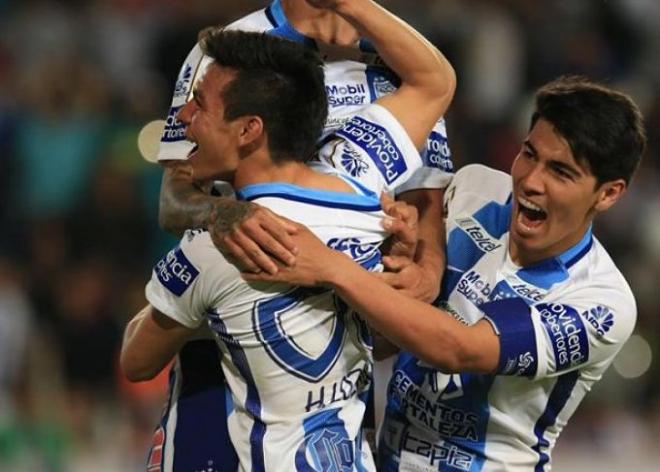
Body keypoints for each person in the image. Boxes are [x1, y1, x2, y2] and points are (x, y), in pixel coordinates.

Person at [244, 75, 647, 470]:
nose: (531, 181)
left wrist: (336, 269)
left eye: (560, 172)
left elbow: (460, 349)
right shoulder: (474, 189)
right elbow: (385, 340)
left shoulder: (602, 301)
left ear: (608, 193)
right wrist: (399, 261)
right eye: (529, 153)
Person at [121, 0, 456, 470]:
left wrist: (428, 270)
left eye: (201, 109)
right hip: (218, 341)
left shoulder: (396, 51)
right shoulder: (234, 50)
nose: (188, 118)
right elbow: (175, 195)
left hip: (333, 334)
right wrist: (226, 216)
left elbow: (428, 197)